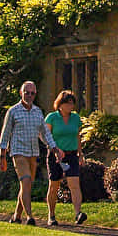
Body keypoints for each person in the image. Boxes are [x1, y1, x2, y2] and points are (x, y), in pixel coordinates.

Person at [0, 80, 59, 225]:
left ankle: (17, 216)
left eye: (32, 93)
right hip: (18, 152)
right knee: (25, 181)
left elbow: (44, 133)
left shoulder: (38, 112)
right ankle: (30, 216)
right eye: (27, 92)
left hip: (33, 152)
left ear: (35, 94)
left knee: (27, 185)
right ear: (21, 93)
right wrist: (2, 157)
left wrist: (54, 148)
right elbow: (5, 134)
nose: (29, 95)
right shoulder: (13, 111)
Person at [44, 90, 88, 227]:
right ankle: (51, 215)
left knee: (74, 184)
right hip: (55, 155)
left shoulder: (75, 118)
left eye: (72, 103)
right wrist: (56, 149)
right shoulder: (52, 117)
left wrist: (80, 154)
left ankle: (78, 213)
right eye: (67, 103)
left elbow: (77, 136)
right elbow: (47, 136)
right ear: (60, 104)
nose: (70, 106)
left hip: (71, 154)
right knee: (54, 185)